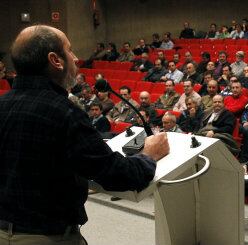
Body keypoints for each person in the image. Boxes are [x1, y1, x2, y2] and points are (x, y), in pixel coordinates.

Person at [0, 24, 169, 244]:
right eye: (69, 50)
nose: (76, 58)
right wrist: (148, 154)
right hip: (45, 237)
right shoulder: (64, 113)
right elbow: (117, 175)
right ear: (55, 60)